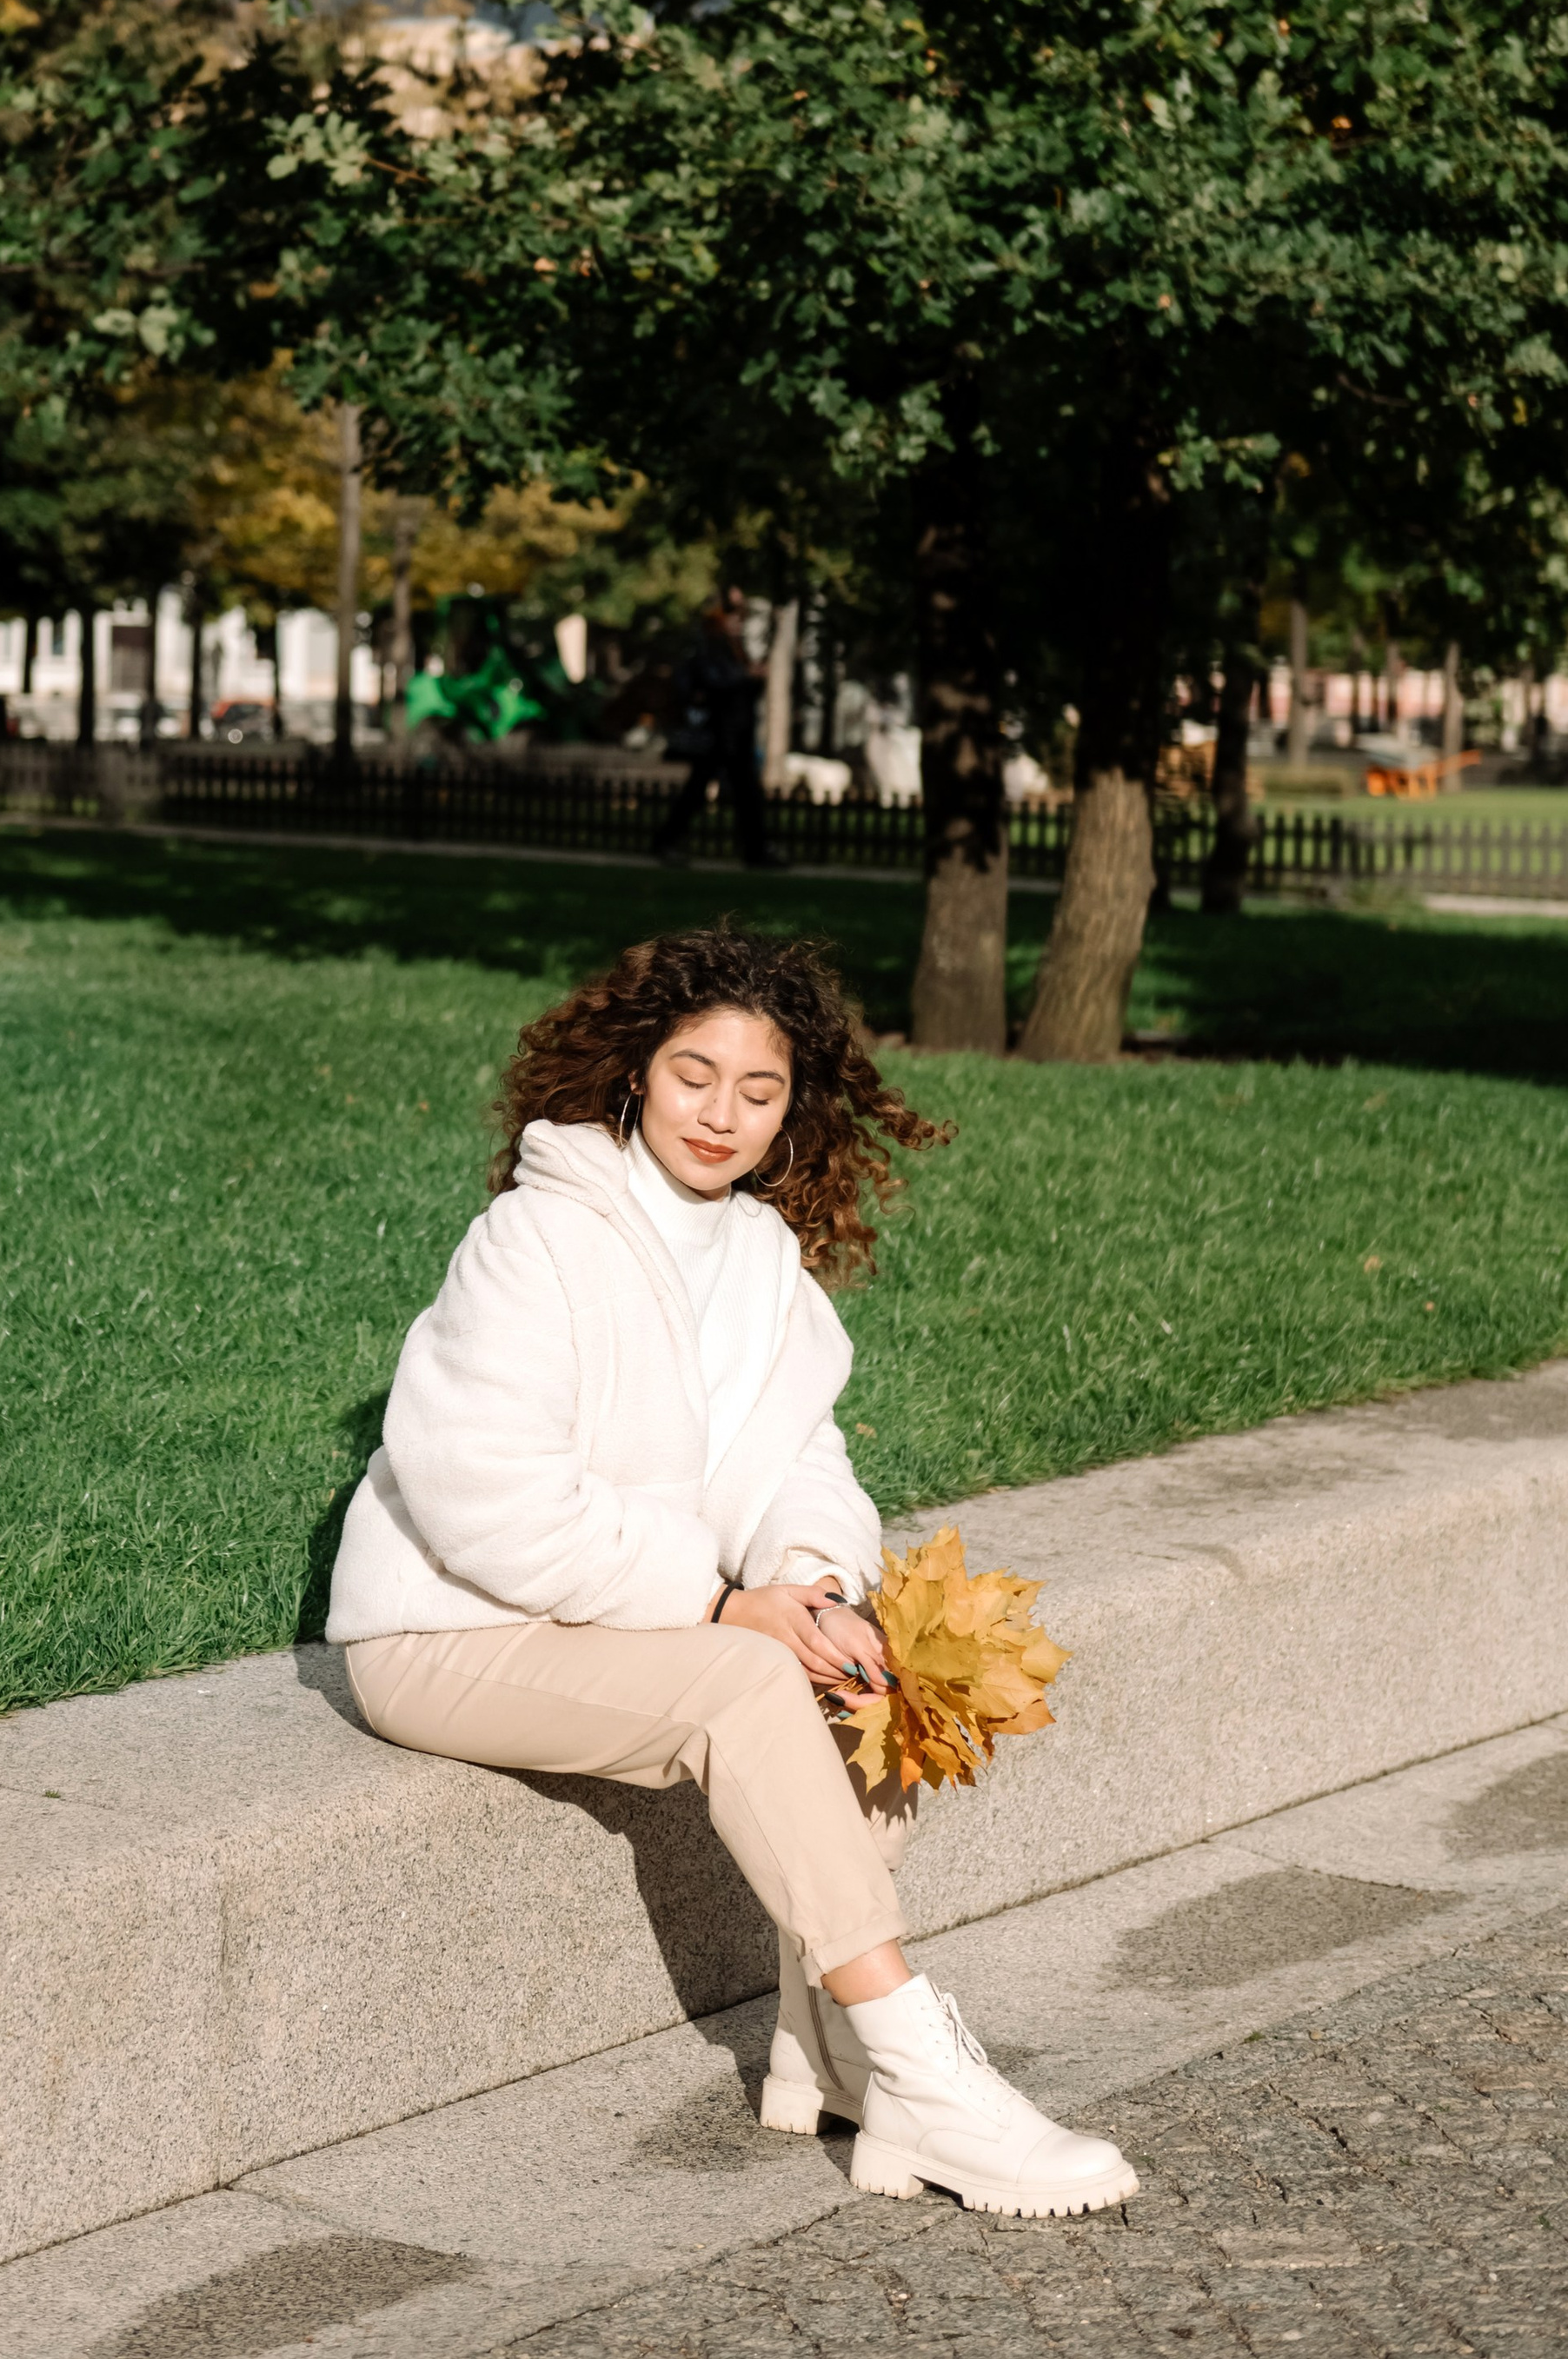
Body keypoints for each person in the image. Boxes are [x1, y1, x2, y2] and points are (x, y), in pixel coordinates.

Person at [328, 926, 1139, 2219]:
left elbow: (798, 1461)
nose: (722, 1113)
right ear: (636, 1071)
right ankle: (922, 2067)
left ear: (791, 1109)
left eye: (759, 1091)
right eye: (694, 1074)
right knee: (744, 1685)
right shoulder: (538, 1236)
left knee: (859, 1675)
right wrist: (716, 1603)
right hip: (448, 1629)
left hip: (620, 1622)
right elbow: (480, 1492)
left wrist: (812, 1584)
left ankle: (831, 2062)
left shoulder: (764, 1262)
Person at [656, 588, 780, 867]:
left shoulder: (733, 645)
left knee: (746, 794)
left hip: (736, 731)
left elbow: (741, 689)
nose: (740, 618)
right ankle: (667, 842)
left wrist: (754, 679)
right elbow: (711, 682)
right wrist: (746, 676)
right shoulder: (710, 642)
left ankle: (756, 850)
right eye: (733, 612)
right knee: (701, 791)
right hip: (719, 733)